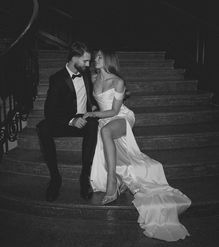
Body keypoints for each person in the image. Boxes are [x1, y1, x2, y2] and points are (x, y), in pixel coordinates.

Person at [83, 49, 191, 242]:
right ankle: (118, 179)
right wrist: (92, 108)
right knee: (104, 133)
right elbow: (95, 101)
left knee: (106, 131)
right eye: (95, 56)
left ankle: (112, 183)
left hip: (120, 117)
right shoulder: (93, 78)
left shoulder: (118, 81)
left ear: (107, 59)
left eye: (99, 56)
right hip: (103, 117)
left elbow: (114, 110)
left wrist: (93, 115)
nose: (94, 59)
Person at [37, 41, 98, 202]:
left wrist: (94, 110)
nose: (88, 64)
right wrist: (71, 121)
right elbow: (49, 112)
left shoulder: (85, 73)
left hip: (84, 121)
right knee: (42, 127)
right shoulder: (57, 79)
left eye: (89, 61)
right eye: (85, 61)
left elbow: (91, 98)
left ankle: (85, 178)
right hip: (65, 122)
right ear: (73, 58)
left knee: (93, 124)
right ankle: (55, 178)